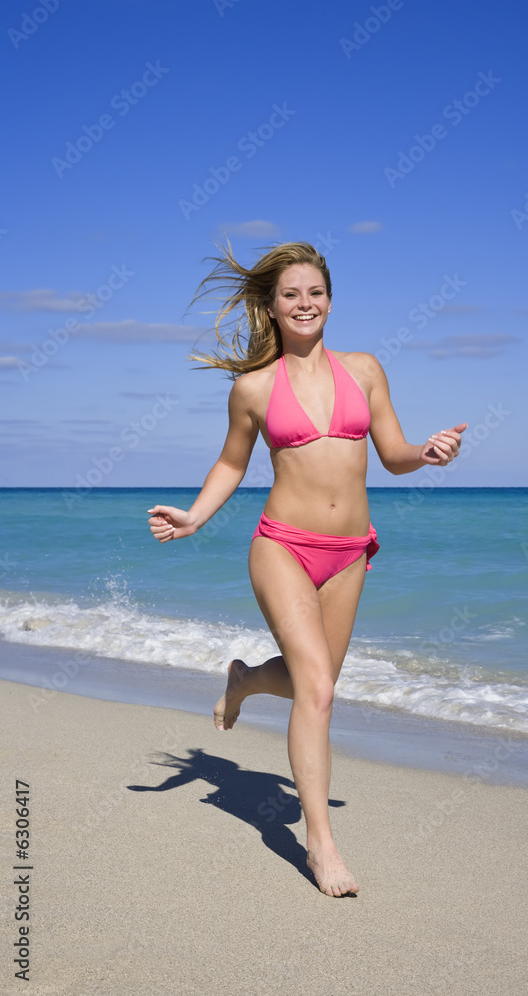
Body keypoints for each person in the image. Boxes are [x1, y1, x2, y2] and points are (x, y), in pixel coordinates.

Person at [148, 241, 466, 897]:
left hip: (350, 552)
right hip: (282, 547)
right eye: (290, 294)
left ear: (329, 300)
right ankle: (320, 847)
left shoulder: (365, 370)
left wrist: (428, 454)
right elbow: (231, 463)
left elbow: (393, 453)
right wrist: (195, 517)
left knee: (304, 683)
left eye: (314, 292)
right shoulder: (254, 388)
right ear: (271, 305)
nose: (303, 303)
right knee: (318, 690)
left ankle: (241, 682)